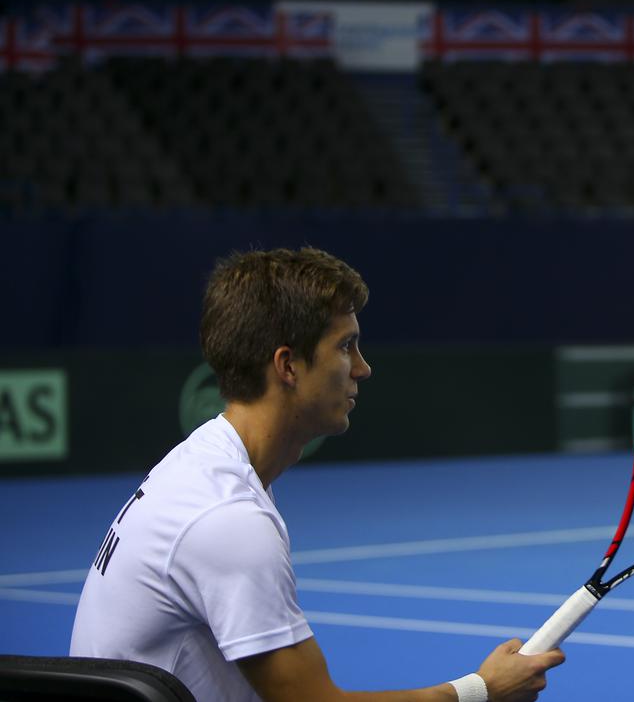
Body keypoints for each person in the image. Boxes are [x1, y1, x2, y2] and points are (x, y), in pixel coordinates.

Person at [70, 247, 564, 702]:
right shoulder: (229, 520)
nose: (363, 368)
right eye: (346, 347)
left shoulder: (201, 466)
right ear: (288, 366)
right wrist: (480, 691)